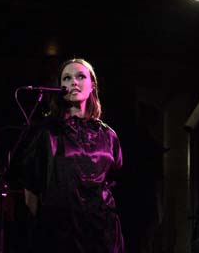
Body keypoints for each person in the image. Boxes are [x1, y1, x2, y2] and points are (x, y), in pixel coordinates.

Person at [13, 58, 124, 253]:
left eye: (80, 76)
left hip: (103, 235)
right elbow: (30, 191)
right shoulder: (46, 133)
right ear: (59, 87)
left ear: (92, 86)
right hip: (61, 237)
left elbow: (115, 182)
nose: (73, 82)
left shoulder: (108, 135)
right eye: (66, 78)